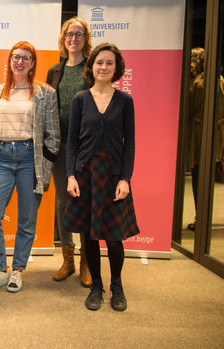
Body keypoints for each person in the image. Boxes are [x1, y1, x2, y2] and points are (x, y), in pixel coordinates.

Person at [0, 41, 60, 293]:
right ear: (9, 61)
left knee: (26, 220)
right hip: (1, 158)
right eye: (15, 57)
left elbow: (53, 135)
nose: (19, 62)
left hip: (29, 160)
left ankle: (18, 269)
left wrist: (44, 162)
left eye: (25, 58)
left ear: (33, 63)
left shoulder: (46, 94)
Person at [65, 43, 139, 311]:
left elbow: (129, 143)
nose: (104, 67)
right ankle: (96, 284)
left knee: (114, 237)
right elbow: (72, 142)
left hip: (113, 175)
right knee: (90, 236)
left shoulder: (125, 101)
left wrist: (125, 179)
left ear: (116, 67)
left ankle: (116, 284)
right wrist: (71, 175)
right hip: (85, 175)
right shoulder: (80, 99)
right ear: (92, 66)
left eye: (109, 63)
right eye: (99, 62)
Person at [46, 17, 92, 287]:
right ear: (63, 40)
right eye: (69, 35)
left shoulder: (92, 68)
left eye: (78, 34)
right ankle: (68, 260)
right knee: (63, 204)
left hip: (86, 148)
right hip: (60, 148)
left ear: (86, 39)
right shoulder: (55, 70)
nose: (73, 39)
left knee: (84, 203)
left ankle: (87, 262)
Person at [186, 47, 224, 230]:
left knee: (199, 176)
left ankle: (201, 219)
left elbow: (189, 109)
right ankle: (202, 218)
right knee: (205, 176)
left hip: (199, 134)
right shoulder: (218, 80)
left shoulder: (198, 82)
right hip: (214, 134)